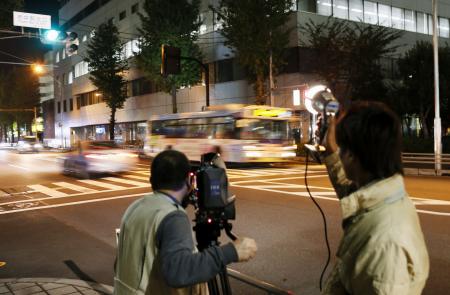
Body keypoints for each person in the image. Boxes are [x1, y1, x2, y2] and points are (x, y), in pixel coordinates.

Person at [319, 101, 429, 294]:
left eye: (342, 149)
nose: (340, 154)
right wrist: (331, 150)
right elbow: (350, 190)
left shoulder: (386, 243)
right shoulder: (381, 196)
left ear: (352, 155)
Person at [114, 150, 257, 295]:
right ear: (188, 181)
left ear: (152, 181)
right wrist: (231, 252)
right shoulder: (173, 217)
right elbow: (178, 272)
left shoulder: (135, 207)